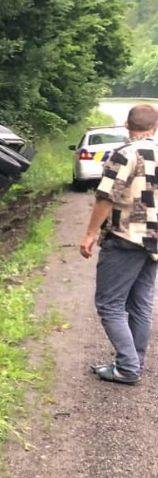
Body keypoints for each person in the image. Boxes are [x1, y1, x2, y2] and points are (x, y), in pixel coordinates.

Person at [80, 103, 158, 384]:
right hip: (154, 240)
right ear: (155, 127)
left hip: (126, 237)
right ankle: (133, 362)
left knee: (109, 303)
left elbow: (106, 197)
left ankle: (127, 367)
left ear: (127, 125)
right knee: (140, 304)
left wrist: (90, 233)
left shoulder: (123, 154)